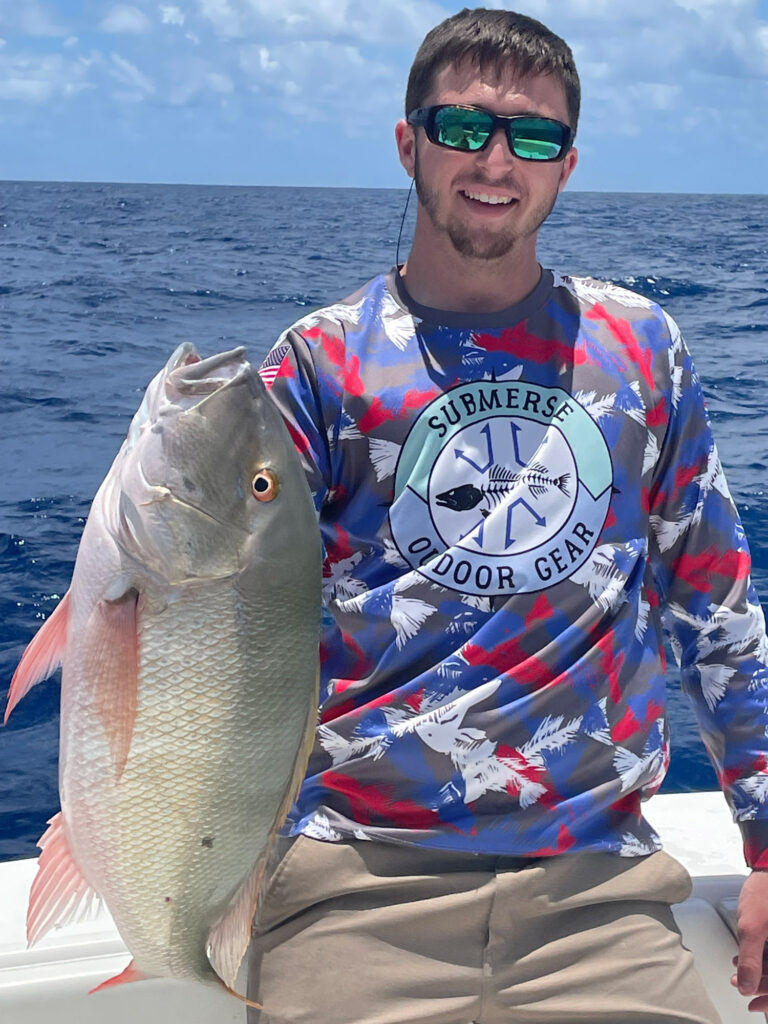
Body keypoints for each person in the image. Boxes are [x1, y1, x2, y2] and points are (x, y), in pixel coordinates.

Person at [248, 8, 768, 1022]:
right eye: (464, 127)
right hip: (352, 889)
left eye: (533, 137)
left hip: (598, 896)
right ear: (410, 142)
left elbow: (714, 601)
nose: (496, 160)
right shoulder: (315, 364)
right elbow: (221, 626)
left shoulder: (642, 346)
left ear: (566, 166)